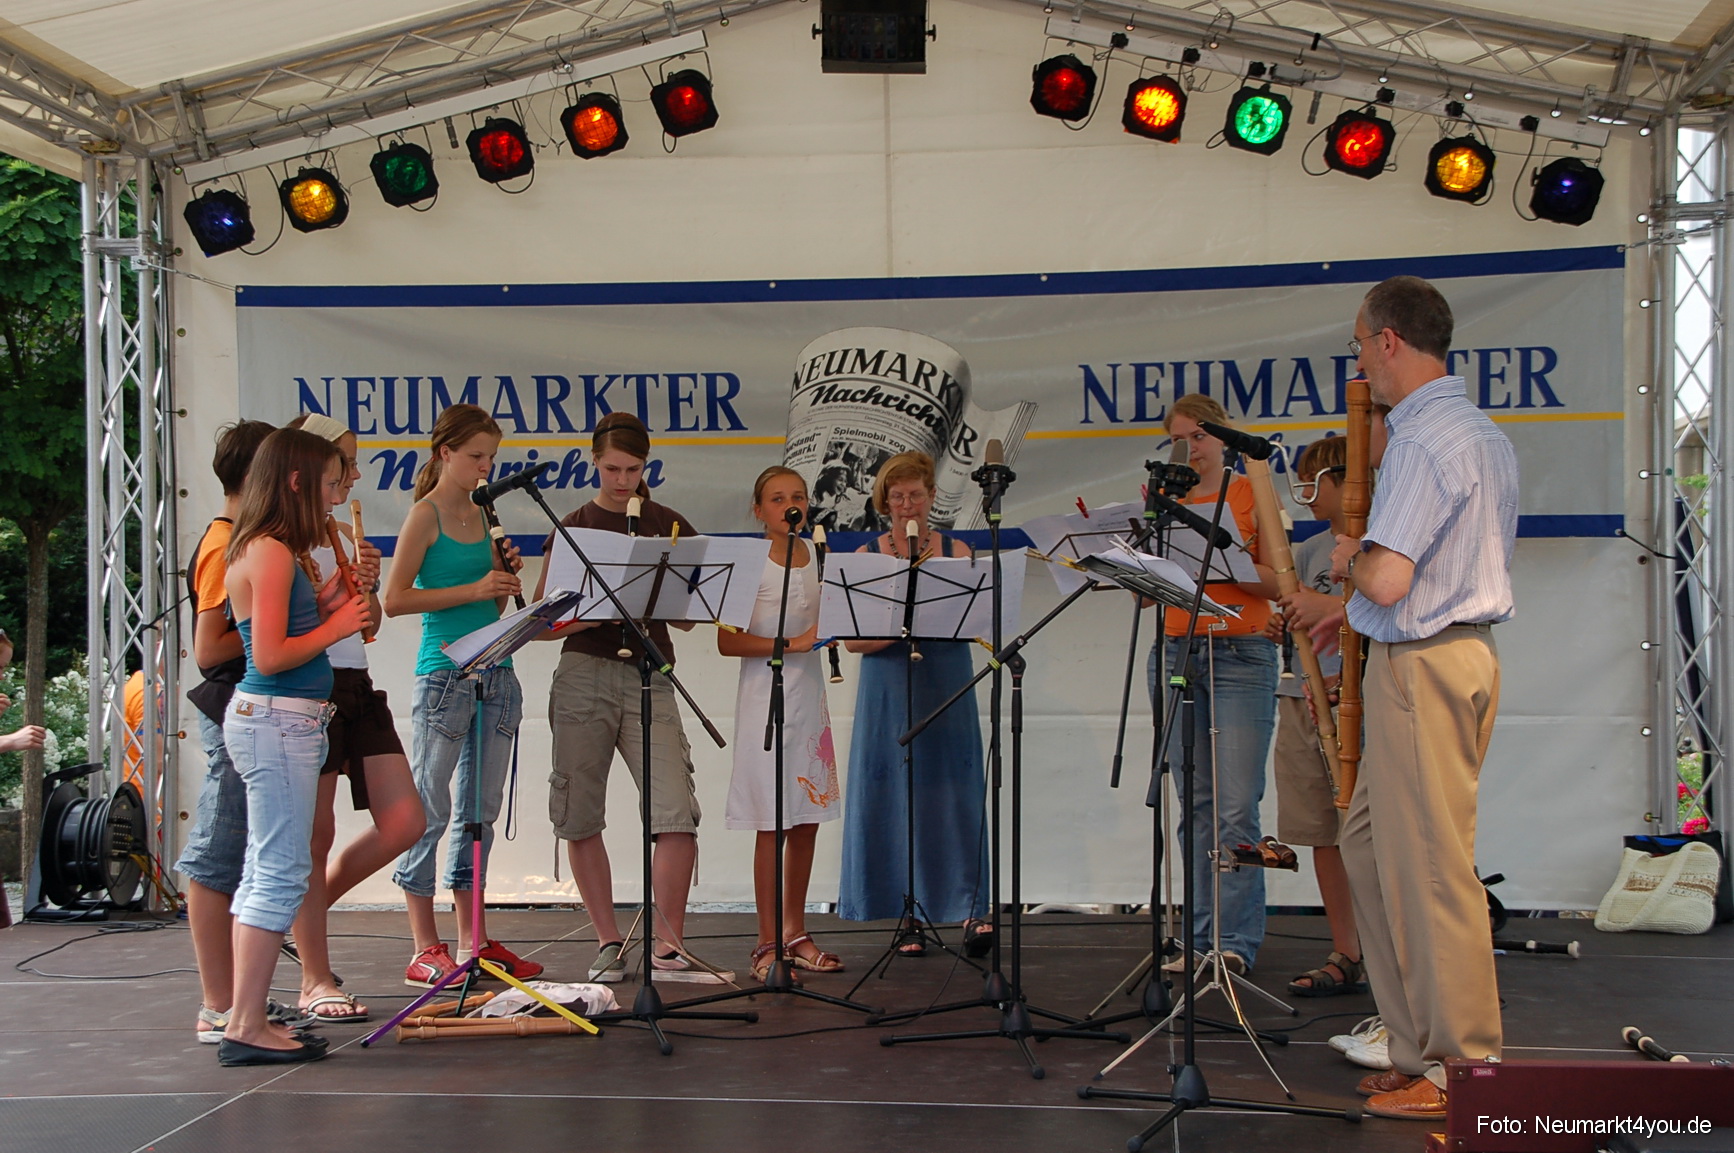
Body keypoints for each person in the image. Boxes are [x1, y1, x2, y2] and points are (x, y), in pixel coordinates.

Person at [1326, 276, 1517, 1120]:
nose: (1360, 358)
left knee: (1434, 868)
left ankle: (1459, 1068)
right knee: (1368, 847)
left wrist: (1346, 556)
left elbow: (1391, 576)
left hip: (1423, 660)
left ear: (1391, 341)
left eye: (1362, 343)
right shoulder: (1475, 431)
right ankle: (1414, 1048)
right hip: (1445, 655)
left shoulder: (1425, 438)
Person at [531, 411, 714, 983]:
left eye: (632, 469)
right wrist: (596, 608)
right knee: (580, 812)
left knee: (675, 811)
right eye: (611, 468)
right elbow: (542, 621)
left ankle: (668, 943)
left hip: (650, 673)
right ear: (594, 462)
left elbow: (689, 618)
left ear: (646, 466)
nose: (622, 480)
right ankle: (608, 940)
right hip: (584, 672)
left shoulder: (668, 523)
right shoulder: (574, 525)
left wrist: (657, 594)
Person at [219, 428, 370, 1066]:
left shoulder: (266, 548)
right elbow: (274, 655)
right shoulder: (272, 552)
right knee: (279, 872)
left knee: (268, 869)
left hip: (278, 719)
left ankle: (243, 1015)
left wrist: (336, 598)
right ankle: (245, 1023)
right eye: (332, 483)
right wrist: (340, 623)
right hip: (279, 718)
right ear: (298, 483)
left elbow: (280, 630)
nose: (338, 495)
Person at [385, 404, 539, 988]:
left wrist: (500, 584)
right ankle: (424, 943)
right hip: (445, 672)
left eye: (491, 458)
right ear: (444, 452)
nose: (485, 467)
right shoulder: (425, 516)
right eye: (476, 456)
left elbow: (490, 610)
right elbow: (394, 600)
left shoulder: (484, 509)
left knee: (480, 812)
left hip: (494, 668)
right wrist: (474, 585)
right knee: (429, 806)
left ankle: (471, 938)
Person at [283, 412, 425, 1022]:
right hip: (307, 685)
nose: (354, 473)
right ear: (311, 467)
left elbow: (368, 627)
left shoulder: (341, 532)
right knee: (314, 836)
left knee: (406, 821)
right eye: (345, 461)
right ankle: (315, 978)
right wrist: (338, 600)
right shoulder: (281, 539)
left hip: (355, 683)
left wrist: (362, 593)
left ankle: (296, 920)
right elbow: (283, 631)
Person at [837, 451, 991, 956]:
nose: (907, 505)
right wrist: (901, 624)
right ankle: (906, 912)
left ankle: (970, 907)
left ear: (931, 498)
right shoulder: (865, 557)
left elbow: (975, 624)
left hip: (944, 681)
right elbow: (853, 643)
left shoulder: (957, 550)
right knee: (894, 792)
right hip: (888, 684)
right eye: (897, 497)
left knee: (953, 793)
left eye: (916, 495)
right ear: (885, 502)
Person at [1150, 394, 1280, 976]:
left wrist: (1229, 564)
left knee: (1234, 806)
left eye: (1199, 436)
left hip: (1240, 652)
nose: (1191, 448)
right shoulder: (1165, 499)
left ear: (1224, 437)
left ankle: (1235, 943)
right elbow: (1148, 591)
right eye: (1180, 439)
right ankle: (1198, 939)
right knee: (1194, 803)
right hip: (1177, 648)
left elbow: (1281, 582)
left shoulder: (1252, 491)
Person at [175, 419, 281, 1045]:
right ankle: (218, 1002)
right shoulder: (225, 543)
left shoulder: (245, 538)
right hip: (231, 705)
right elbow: (208, 648)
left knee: (242, 853)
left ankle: (240, 1000)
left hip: (251, 706)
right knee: (218, 850)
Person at [718, 466, 844, 978]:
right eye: (777, 498)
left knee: (807, 817)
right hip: (764, 700)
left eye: (797, 497)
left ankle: (797, 930)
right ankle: (766, 940)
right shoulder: (749, 564)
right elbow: (727, 641)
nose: (789, 505)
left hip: (809, 696)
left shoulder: (822, 555)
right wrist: (790, 644)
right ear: (759, 510)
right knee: (771, 822)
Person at [1269, 436, 1362, 997]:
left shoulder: (1378, 546)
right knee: (1322, 831)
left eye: (1314, 481)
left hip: (1358, 703)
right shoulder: (1307, 552)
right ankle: (1345, 949)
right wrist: (1286, 624)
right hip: (1304, 698)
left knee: (1372, 831)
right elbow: (1303, 625)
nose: (1306, 494)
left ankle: (1394, 953)